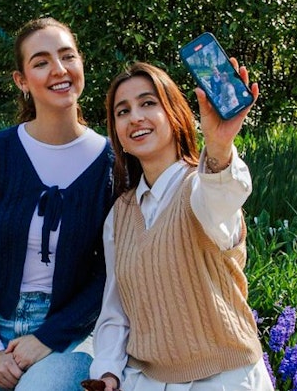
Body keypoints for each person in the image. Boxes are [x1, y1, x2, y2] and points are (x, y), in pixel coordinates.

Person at [0, 17, 115, 391]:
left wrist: (48, 337)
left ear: (81, 63)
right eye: (40, 62)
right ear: (21, 81)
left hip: (70, 332)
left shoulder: (111, 164)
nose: (59, 70)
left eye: (67, 56)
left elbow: (110, 270)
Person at [88, 61, 274, 391]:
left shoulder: (200, 188)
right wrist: (107, 373)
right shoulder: (120, 213)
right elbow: (117, 309)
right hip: (143, 380)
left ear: (174, 113)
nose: (135, 118)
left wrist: (218, 149)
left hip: (224, 379)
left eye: (148, 103)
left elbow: (222, 197)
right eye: (122, 111)